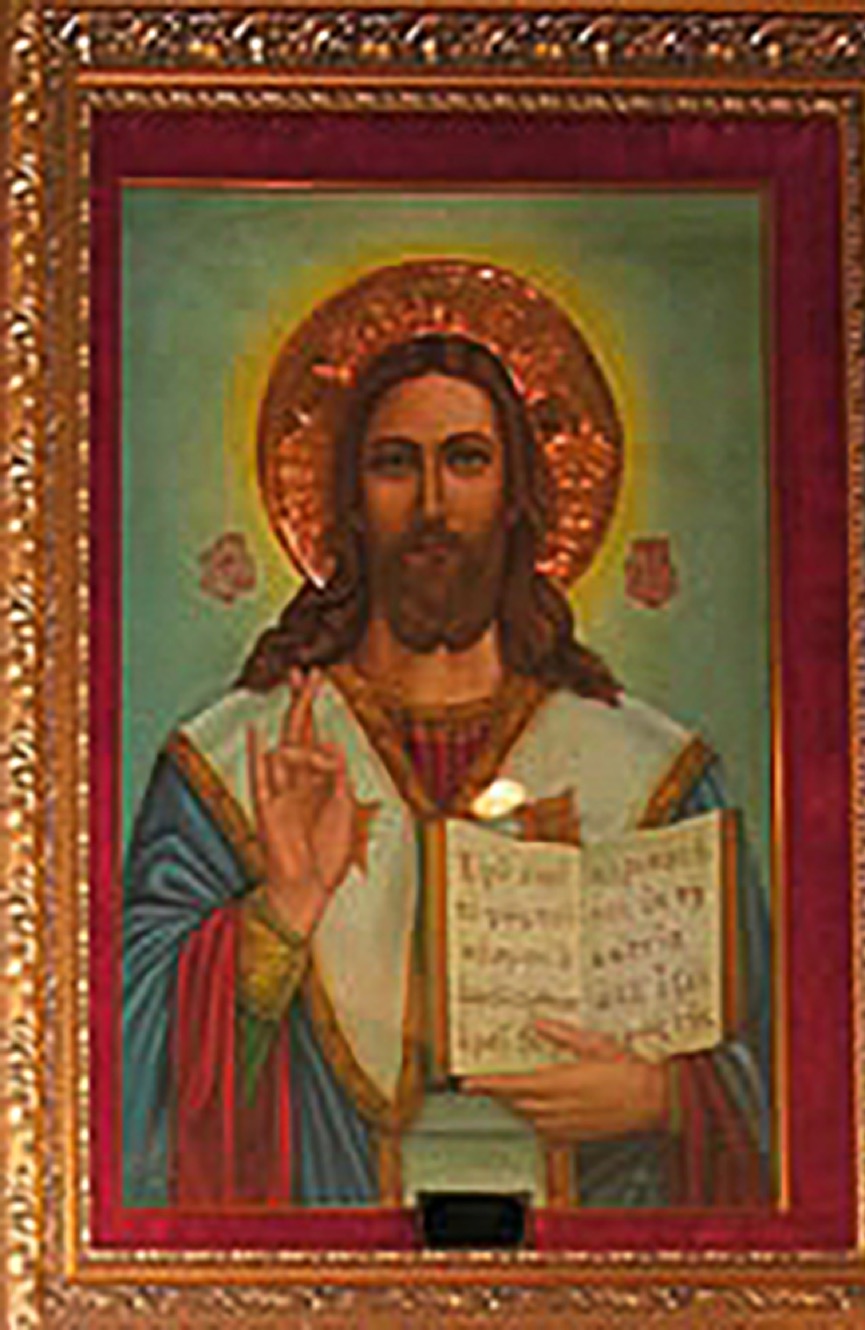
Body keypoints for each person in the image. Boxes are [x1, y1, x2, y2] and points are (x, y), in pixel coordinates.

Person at [123, 263, 770, 1209]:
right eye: (395, 464)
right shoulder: (232, 765)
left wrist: (668, 1098)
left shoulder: (653, 773)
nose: (432, 505)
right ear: (348, 500)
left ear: (517, 496)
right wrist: (282, 911)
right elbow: (121, 1075)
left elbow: (797, 1072)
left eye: (467, 460)